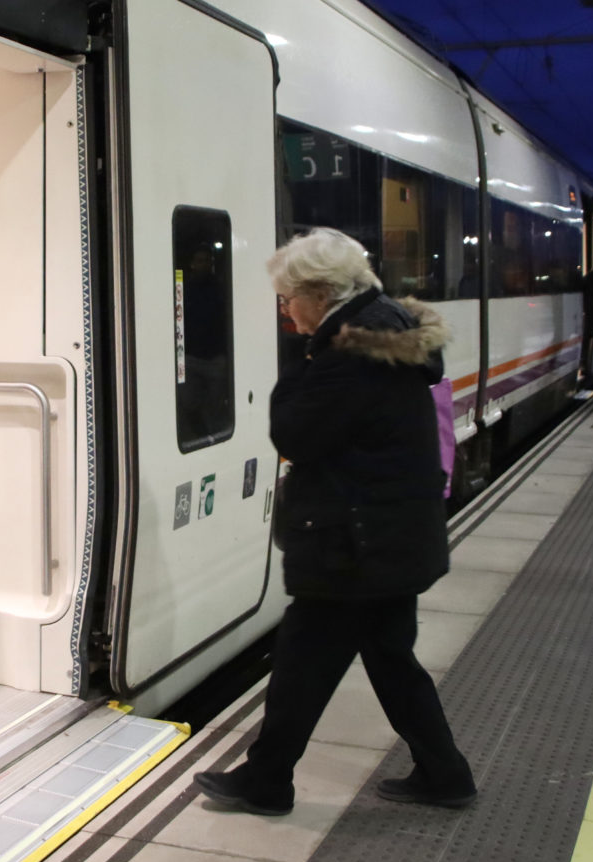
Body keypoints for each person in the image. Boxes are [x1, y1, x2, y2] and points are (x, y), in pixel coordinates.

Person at [193, 228, 475, 815]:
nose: (283, 309)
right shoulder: (384, 332)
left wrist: (302, 355)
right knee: (388, 658)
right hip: (385, 536)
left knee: (304, 659)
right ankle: (444, 774)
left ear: (320, 295)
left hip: (356, 544)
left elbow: (294, 433)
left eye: (288, 298)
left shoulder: (346, 356)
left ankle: (268, 780)